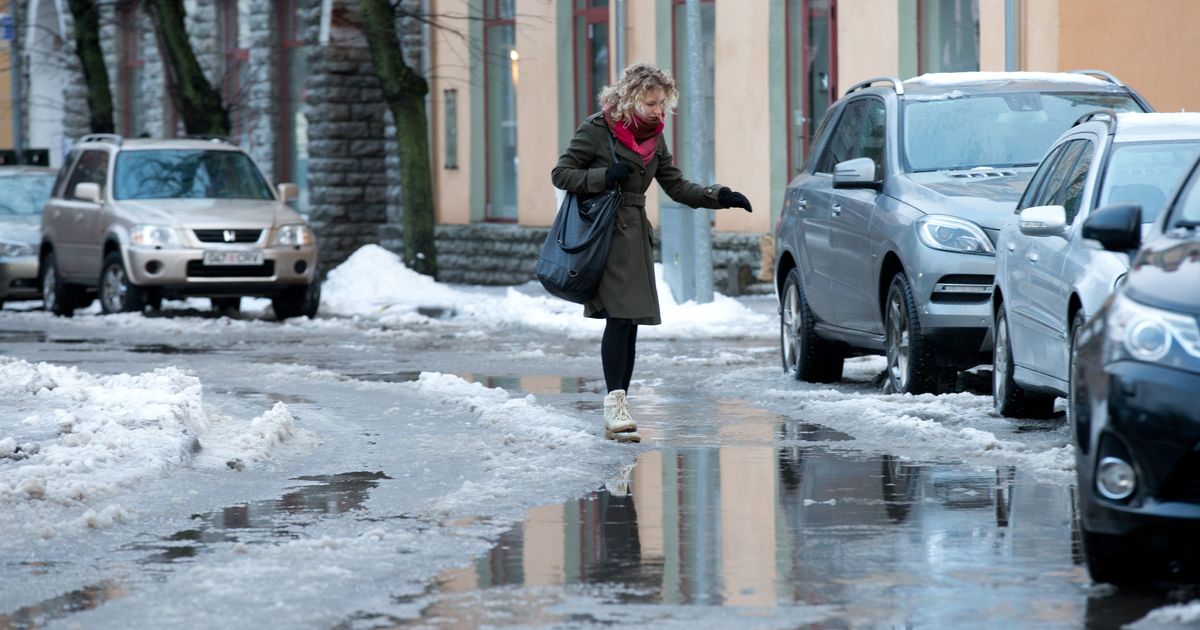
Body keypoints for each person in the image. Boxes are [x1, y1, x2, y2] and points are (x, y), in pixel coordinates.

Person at [551, 62, 753, 443]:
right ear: (630, 98)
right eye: (651, 103)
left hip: (636, 237)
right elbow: (561, 174)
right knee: (619, 318)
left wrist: (719, 196)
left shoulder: (654, 139)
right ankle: (614, 407)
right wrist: (601, 177)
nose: (659, 111)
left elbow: (675, 187)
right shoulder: (597, 129)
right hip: (605, 237)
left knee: (629, 323)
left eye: (663, 103)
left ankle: (620, 402)